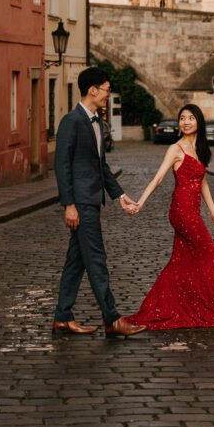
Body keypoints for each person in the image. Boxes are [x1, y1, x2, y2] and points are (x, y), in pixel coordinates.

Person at [125, 104, 214, 330]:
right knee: (210, 255)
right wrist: (140, 202)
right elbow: (158, 179)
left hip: (192, 210)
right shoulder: (175, 149)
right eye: (182, 118)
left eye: (191, 118)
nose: (186, 122)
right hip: (182, 211)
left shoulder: (199, 149)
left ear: (198, 122)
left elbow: (202, 181)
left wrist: (213, 210)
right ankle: (206, 307)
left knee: (183, 260)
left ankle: (174, 305)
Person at [52, 66, 146, 338]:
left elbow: (101, 167)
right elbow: (62, 166)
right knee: (96, 259)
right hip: (81, 203)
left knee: (77, 261)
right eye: (106, 89)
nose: (108, 94)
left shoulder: (96, 122)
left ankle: (62, 316)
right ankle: (112, 318)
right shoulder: (72, 121)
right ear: (92, 90)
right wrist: (69, 204)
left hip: (91, 200)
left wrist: (119, 194)